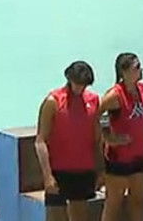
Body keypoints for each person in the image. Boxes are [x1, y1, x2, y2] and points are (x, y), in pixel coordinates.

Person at [34, 61, 103, 221]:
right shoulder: (53, 101)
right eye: (78, 83)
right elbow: (40, 141)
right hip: (58, 171)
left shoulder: (93, 100)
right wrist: (47, 176)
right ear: (69, 79)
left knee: (80, 217)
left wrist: (101, 169)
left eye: (84, 85)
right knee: (55, 217)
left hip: (83, 170)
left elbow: (97, 138)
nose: (80, 88)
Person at [99, 53, 143, 221]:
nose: (141, 70)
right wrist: (109, 139)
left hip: (139, 155)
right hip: (118, 158)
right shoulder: (115, 96)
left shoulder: (142, 89)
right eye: (136, 67)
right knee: (114, 203)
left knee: (138, 202)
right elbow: (92, 117)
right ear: (124, 72)